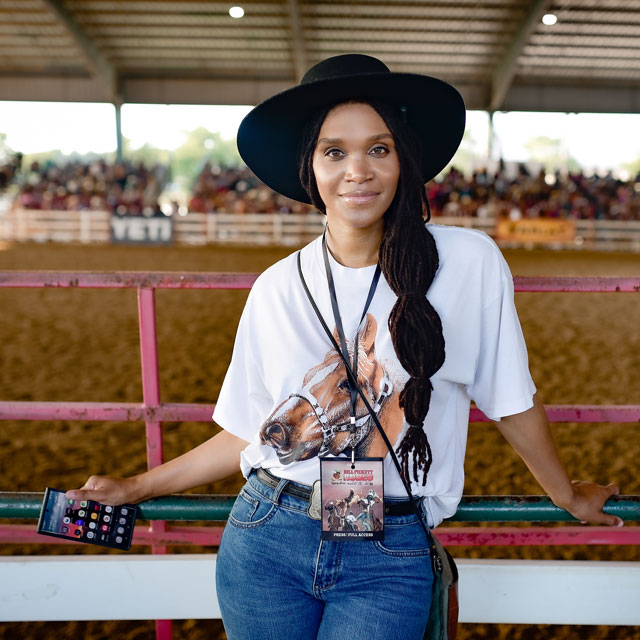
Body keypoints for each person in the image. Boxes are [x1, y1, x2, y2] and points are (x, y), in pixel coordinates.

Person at [67, 54, 622, 639]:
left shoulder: (468, 263)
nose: (358, 170)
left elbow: (509, 396)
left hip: (390, 550)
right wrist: (135, 487)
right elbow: (249, 432)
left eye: (378, 149)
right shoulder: (275, 287)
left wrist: (564, 492)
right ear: (311, 168)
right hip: (267, 534)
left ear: (403, 160)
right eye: (335, 152)